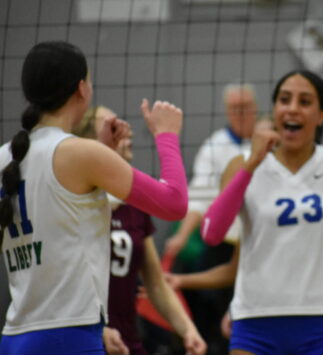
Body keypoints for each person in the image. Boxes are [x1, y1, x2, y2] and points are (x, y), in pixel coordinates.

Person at [0, 41, 201, 354]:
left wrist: (105, 154)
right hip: (69, 337)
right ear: (82, 88)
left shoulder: (5, 158)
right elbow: (174, 203)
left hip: (15, 336)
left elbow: (68, 212)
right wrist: (166, 135)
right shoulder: (79, 152)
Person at [200, 70, 323, 355]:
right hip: (255, 321)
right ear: (275, 110)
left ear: (320, 115)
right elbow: (212, 234)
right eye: (284, 100)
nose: (292, 108)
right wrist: (252, 164)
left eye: (304, 102)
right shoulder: (241, 164)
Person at [74, 106, 206, 355]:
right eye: (113, 126)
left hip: (128, 342)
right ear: (90, 144)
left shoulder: (135, 205)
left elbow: (155, 283)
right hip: (88, 341)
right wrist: (98, 330)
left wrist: (188, 329)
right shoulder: (77, 202)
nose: (127, 131)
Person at [164, 82, 257, 355]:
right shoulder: (214, 146)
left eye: (245, 107)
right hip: (225, 248)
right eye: (234, 108)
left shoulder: (271, 141)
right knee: (219, 320)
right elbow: (198, 198)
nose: (240, 113)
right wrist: (181, 237)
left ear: (256, 109)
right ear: (227, 111)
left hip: (259, 246)